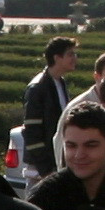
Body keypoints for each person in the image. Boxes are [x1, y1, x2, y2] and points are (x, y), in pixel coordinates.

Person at [20, 35, 77, 181]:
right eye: (70, 54)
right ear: (57, 58)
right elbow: (31, 131)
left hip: (55, 165)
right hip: (41, 172)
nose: (75, 58)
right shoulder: (38, 88)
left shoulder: (61, 83)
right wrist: (46, 169)